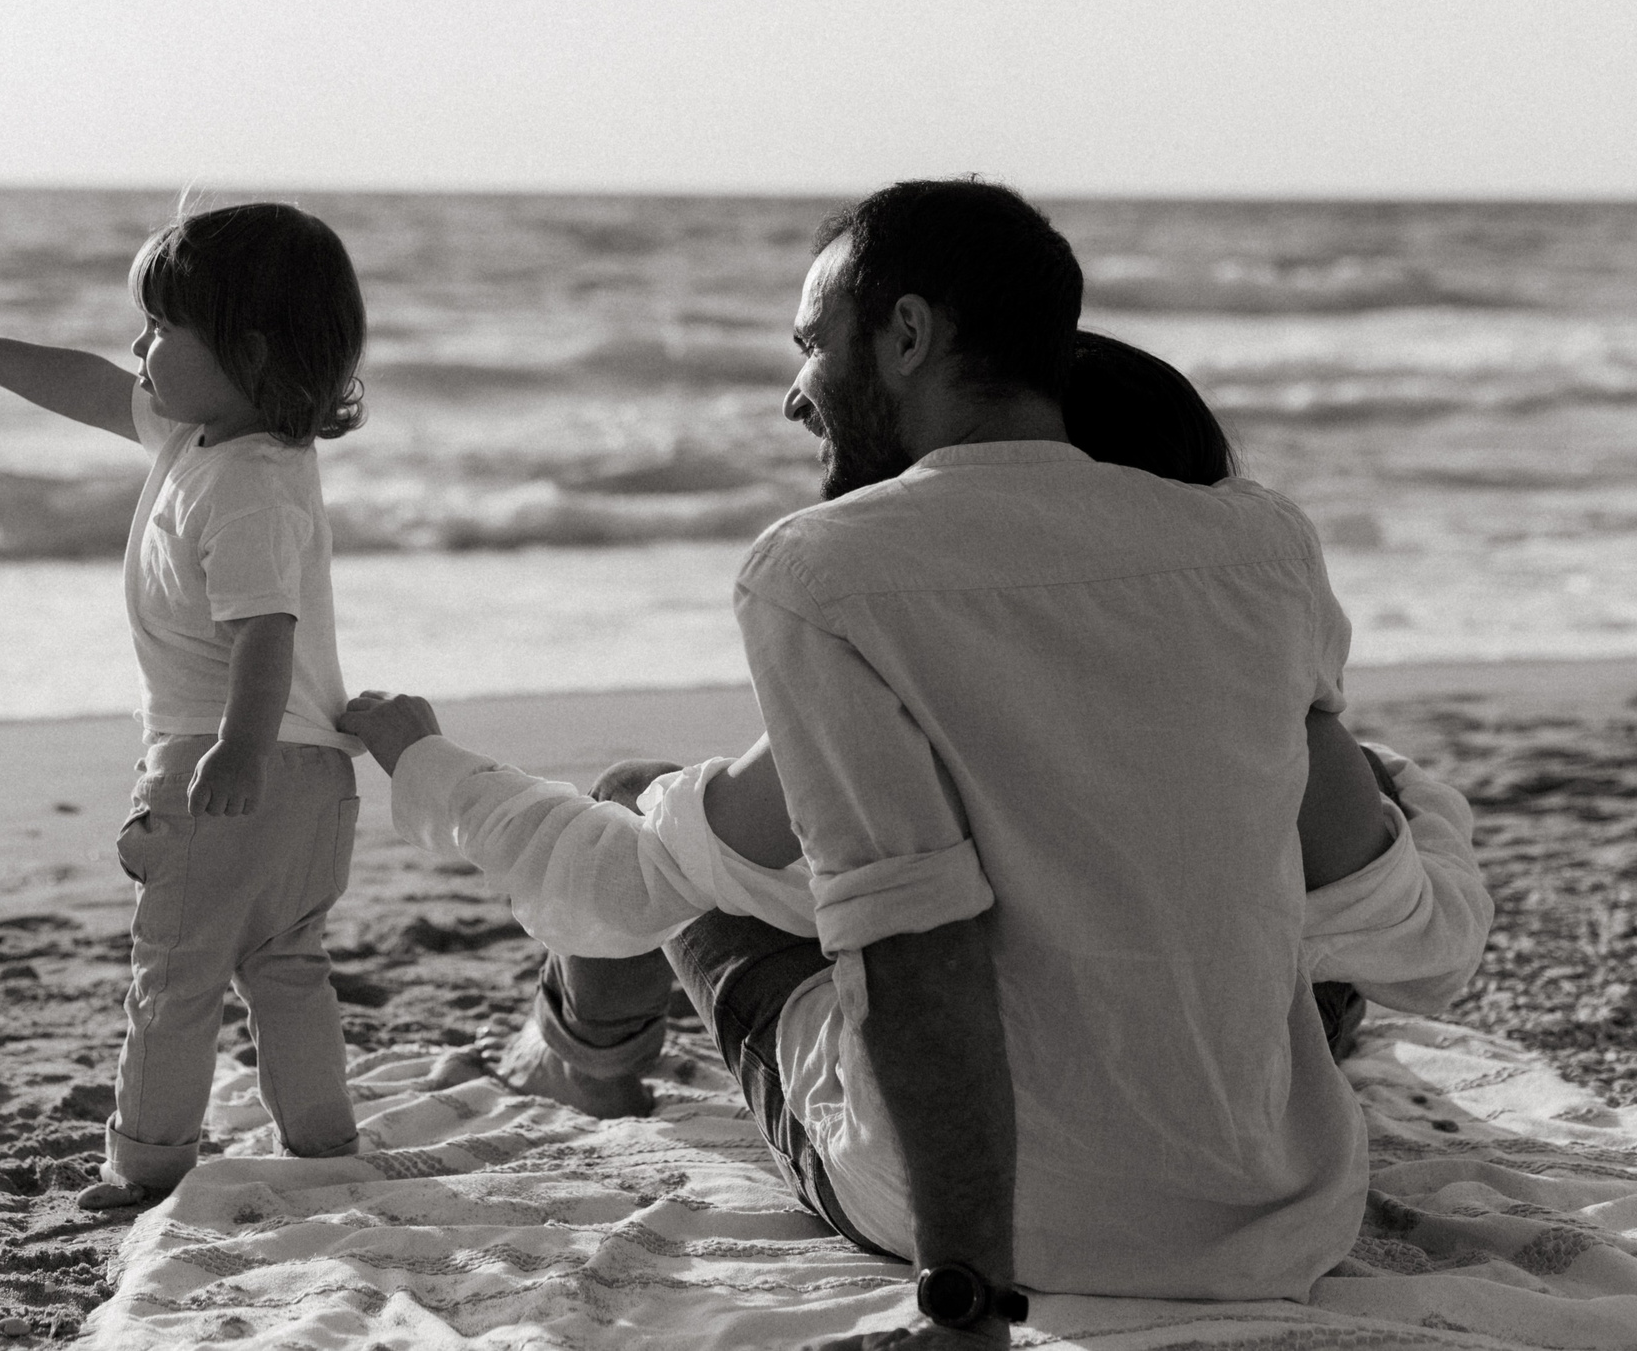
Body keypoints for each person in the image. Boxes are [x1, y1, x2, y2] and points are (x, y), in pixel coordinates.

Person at [340, 182, 1490, 1347]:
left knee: (666, 825)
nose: (796, 389)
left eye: (810, 343)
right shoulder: (1263, 544)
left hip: (980, 1223)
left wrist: (965, 1304)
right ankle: (586, 1042)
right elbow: (1374, 882)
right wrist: (1424, 806)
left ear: (903, 333)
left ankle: (586, 1059)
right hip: (1277, 1216)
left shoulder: (825, 572)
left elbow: (913, 940)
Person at [0, 200, 372, 1212]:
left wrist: (234, 753)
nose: (138, 346)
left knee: (176, 974)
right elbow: (91, 386)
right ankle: (323, 1142)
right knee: (285, 963)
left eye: (160, 329)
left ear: (242, 350)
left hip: (225, 759)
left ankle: (147, 1162)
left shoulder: (239, 485)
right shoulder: (218, 433)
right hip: (313, 769)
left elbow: (263, 634)